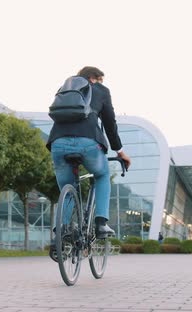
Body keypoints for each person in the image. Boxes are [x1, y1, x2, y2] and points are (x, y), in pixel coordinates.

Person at [47, 66, 131, 239]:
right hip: (89, 142)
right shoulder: (100, 90)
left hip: (58, 142)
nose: (101, 83)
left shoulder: (64, 89)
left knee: (68, 187)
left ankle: (62, 231)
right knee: (102, 175)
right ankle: (101, 224)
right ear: (93, 78)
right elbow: (110, 123)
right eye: (100, 80)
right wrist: (120, 151)